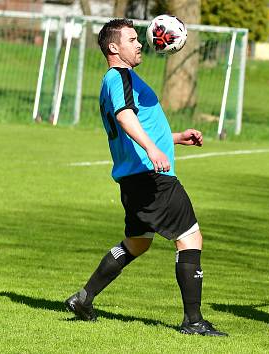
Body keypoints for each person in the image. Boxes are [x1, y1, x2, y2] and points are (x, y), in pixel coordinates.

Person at [64, 19, 226, 337]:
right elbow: (124, 116)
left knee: (137, 243)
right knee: (190, 238)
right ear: (114, 47)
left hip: (133, 178)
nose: (140, 44)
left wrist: (175, 137)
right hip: (152, 177)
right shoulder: (119, 76)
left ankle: (84, 298)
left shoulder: (123, 78)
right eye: (132, 39)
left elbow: (136, 121)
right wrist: (153, 149)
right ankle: (193, 322)